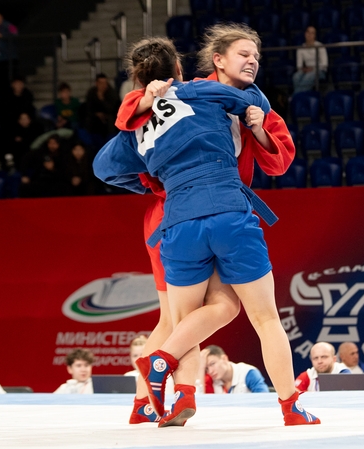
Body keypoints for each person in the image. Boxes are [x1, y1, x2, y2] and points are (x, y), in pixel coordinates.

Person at [95, 35, 318, 428]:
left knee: (183, 318)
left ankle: (162, 397)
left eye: (256, 56)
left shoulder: (145, 113)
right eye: (244, 54)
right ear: (215, 59)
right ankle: (287, 405)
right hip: (217, 208)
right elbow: (254, 108)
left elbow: (106, 162)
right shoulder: (206, 92)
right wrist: (157, 185)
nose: (252, 61)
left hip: (177, 218)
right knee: (248, 316)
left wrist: (152, 169)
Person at [199, 345, 269, 394]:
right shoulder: (210, 379)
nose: (210, 371)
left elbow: (264, 400)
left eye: (212, 364)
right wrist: (201, 368)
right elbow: (198, 402)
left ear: (224, 359)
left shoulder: (248, 372)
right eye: (206, 368)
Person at [85, 73, 121, 147]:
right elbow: (88, 108)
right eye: (101, 83)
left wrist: (102, 99)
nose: (103, 85)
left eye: (105, 83)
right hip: (95, 120)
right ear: (96, 83)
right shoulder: (91, 92)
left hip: (109, 120)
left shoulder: (112, 93)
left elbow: (113, 109)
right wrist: (96, 114)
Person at [291, 26, 328, 93]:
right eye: (308, 32)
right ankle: (300, 96)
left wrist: (313, 69)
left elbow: (324, 65)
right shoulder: (301, 48)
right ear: (305, 34)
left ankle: (295, 96)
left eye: (312, 33)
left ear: (315, 35)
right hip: (307, 70)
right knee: (296, 76)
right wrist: (304, 69)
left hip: (319, 70)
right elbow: (299, 66)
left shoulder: (320, 46)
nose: (309, 35)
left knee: (309, 76)